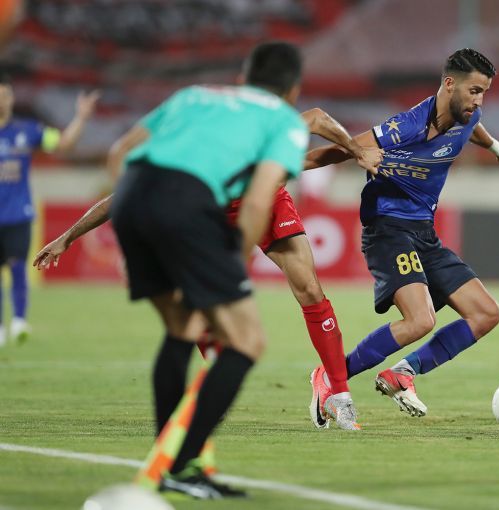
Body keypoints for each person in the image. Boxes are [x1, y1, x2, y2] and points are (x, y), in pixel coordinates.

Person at [34, 107, 382, 431]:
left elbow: (317, 123)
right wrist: (68, 237)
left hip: (268, 204)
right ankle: (217, 378)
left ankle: (338, 393)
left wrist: (356, 150)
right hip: (216, 219)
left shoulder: (258, 135)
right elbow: (122, 197)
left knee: (310, 289)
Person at [105, 41, 316, 499]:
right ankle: (181, 464)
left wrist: (135, 226)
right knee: (246, 340)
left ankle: (172, 461)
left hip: (131, 197)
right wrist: (234, 260)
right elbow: (258, 201)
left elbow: (118, 152)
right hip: (188, 203)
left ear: (243, 78)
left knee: (182, 328)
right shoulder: (284, 121)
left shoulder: (194, 95)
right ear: (293, 91)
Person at [303, 48, 499, 417]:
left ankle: (403, 372)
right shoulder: (404, 128)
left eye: (484, 92)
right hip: (388, 229)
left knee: (485, 313)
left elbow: (476, 128)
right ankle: (331, 375)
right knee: (420, 320)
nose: (479, 101)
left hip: (424, 234)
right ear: (449, 84)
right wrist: (292, 165)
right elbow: (341, 151)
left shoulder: (469, 115)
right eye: (474, 91)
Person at [0, 74, 98, 347]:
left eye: (5, 95)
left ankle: (19, 321)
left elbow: (64, 143)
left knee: (18, 267)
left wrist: (81, 118)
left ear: (11, 99)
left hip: (18, 214)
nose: (1, 101)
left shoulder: (28, 130)